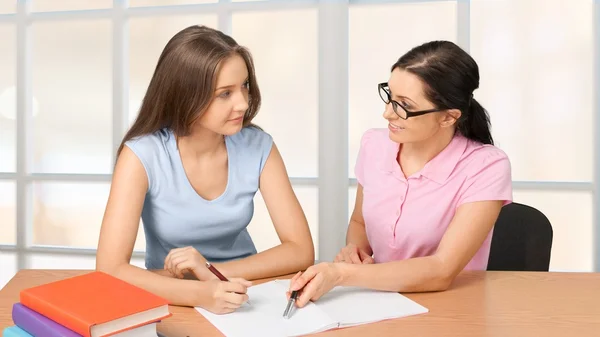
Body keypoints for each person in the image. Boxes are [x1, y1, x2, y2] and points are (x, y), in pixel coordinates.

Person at [96, 25, 315, 314]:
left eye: (244, 86)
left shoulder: (258, 146)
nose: (242, 103)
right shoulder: (141, 155)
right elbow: (109, 270)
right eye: (225, 94)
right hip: (174, 297)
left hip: (247, 290)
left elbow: (301, 250)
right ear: (186, 96)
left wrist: (210, 271)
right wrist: (200, 292)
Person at [288, 40, 512, 307]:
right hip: (375, 301)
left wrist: (342, 274)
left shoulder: (486, 166)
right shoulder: (375, 144)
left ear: (448, 117)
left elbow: (442, 270)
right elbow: (360, 223)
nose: (387, 113)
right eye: (389, 96)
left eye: (403, 105)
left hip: (452, 309)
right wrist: (354, 251)